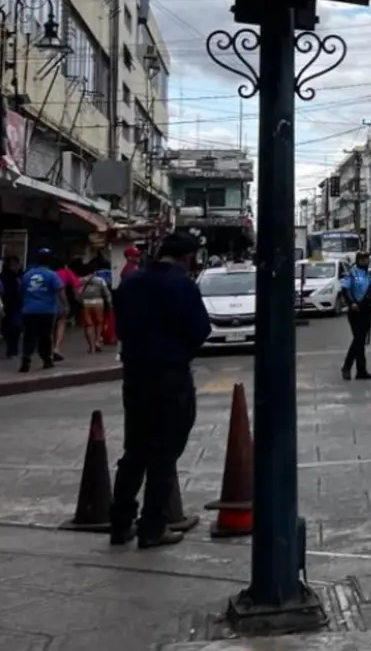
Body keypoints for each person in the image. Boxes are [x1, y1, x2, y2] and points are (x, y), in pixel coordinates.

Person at [110, 231, 212, 549]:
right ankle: (153, 527)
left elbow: (121, 328)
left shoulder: (131, 283)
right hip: (170, 375)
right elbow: (200, 330)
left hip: (136, 374)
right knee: (164, 455)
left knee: (135, 452)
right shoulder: (182, 285)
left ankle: (120, 523)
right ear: (188, 258)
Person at [341, 250, 371, 381]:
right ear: (359, 260)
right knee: (358, 339)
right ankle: (346, 367)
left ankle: (361, 370)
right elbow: (345, 289)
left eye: (367, 259)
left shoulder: (367, 274)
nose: (367, 261)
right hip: (355, 312)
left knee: (360, 342)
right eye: (364, 259)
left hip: (367, 311)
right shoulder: (352, 273)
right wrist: (351, 303)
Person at [20, 249, 65, 371]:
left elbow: (22, 290)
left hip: (28, 310)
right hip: (47, 310)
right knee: (45, 336)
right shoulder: (52, 275)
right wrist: (65, 305)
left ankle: (26, 358)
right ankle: (47, 360)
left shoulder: (27, 275)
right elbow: (60, 291)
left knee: (29, 336)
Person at [53, 256, 84, 363]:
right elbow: (76, 286)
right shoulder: (66, 272)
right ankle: (56, 348)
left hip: (42, 302)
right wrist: (80, 301)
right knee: (61, 323)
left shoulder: (44, 271)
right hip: (59, 300)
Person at [78, 263, 113, 353]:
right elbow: (106, 293)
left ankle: (91, 346)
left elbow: (77, 293)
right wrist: (109, 303)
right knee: (99, 323)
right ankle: (97, 341)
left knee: (88, 325)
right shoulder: (100, 280)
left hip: (86, 303)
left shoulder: (80, 280)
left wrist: (80, 302)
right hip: (98, 302)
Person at [0, 254, 24, 360]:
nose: (14, 267)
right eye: (12, 265)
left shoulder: (22, 276)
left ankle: (13, 350)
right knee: (7, 328)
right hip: (7, 305)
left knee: (16, 327)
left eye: (16, 265)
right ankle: (11, 349)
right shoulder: (3, 277)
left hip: (18, 305)